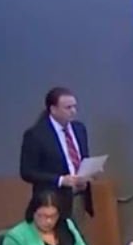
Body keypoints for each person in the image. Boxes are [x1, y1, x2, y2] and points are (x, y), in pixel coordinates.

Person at [20, 87, 94, 219]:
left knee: (77, 231)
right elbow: (27, 172)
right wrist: (60, 180)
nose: (73, 111)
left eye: (74, 107)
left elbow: (82, 158)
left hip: (78, 197)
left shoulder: (79, 129)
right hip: (53, 200)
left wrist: (88, 174)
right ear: (53, 109)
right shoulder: (36, 135)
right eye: (68, 108)